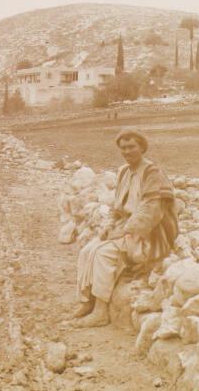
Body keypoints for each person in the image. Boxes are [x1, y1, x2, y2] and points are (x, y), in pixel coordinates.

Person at [72, 127, 179, 327]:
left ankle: (101, 312)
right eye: (123, 148)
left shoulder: (153, 174)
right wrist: (109, 225)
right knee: (88, 250)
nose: (127, 152)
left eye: (131, 147)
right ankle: (87, 301)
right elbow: (118, 206)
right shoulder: (123, 172)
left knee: (103, 253)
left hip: (150, 234)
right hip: (126, 227)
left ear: (142, 147)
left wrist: (124, 230)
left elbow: (150, 211)